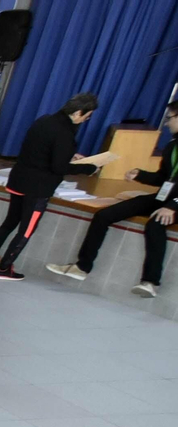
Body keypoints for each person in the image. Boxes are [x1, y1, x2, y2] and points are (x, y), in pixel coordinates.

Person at [48, 99, 177, 297]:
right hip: (165, 197)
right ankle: (82, 267)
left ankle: (150, 282)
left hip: (174, 203)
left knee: (155, 224)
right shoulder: (172, 147)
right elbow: (164, 178)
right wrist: (140, 174)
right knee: (104, 215)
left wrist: (173, 207)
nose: (166, 123)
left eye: (170, 118)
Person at [0, 93, 101, 283]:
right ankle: (4, 268)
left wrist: (70, 153)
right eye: (88, 116)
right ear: (78, 112)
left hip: (19, 179)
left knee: (9, 222)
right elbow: (59, 167)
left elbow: (42, 148)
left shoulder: (44, 120)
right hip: (37, 188)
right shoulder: (65, 133)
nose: (87, 120)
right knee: (26, 230)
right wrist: (89, 167)